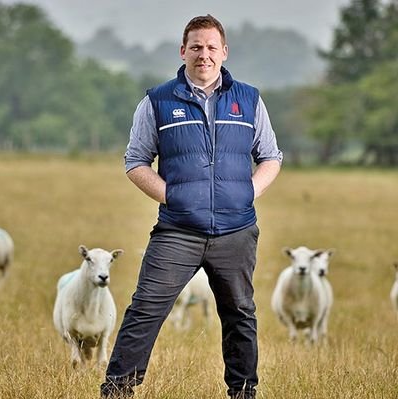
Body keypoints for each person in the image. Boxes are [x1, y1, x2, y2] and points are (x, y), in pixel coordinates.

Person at [100, 14, 282, 399]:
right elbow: (135, 161)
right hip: (178, 231)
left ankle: (243, 392)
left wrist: (248, 193)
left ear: (224, 52)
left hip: (236, 231)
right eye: (196, 47)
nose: (204, 54)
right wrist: (172, 197)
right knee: (145, 309)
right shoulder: (158, 100)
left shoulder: (248, 99)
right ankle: (116, 391)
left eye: (212, 47)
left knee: (240, 315)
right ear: (183, 51)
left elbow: (271, 156)